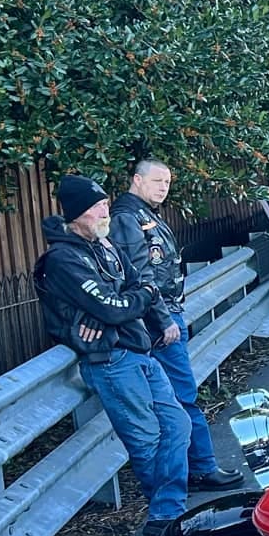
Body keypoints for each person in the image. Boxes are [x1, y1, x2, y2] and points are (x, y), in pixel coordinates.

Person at [33, 175, 190, 536]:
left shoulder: (106, 246)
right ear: (77, 214)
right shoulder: (62, 259)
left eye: (105, 203)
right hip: (111, 360)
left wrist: (125, 301)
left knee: (177, 425)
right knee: (146, 439)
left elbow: (135, 287)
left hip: (140, 348)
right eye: (98, 206)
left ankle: (167, 513)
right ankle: (165, 519)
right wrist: (117, 304)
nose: (107, 209)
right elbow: (115, 306)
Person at [110, 159, 241, 492]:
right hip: (158, 322)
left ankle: (192, 468)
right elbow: (141, 277)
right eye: (157, 181)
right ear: (136, 180)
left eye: (167, 182)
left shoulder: (145, 215)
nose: (163, 187)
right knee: (183, 397)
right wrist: (165, 320)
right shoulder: (128, 218)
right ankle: (201, 468)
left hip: (164, 316)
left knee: (178, 399)